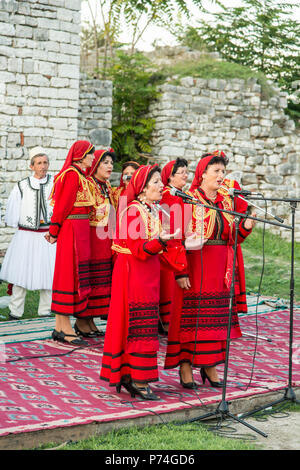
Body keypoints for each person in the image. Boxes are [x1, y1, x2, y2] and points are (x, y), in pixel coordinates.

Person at [164, 151, 256, 389]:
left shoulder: (227, 201)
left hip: (218, 268)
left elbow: (230, 237)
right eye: (216, 171)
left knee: (214, 319)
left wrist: (245, 226)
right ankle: (185, 365)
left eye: (223, 171)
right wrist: (181, 271)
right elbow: (175, 237)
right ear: (202, 174)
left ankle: (210, 364)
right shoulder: (188, 198)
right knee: (190, 317)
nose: (221, 176)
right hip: (194, 266)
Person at [100, 164, 178, 400]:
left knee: (142, 322)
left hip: (146, 271)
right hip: (134, 273)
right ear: (142, 189)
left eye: (160, 181)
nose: (161, 185)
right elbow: (138, 248)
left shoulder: (151, 209)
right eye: (155, 182)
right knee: (137, 323)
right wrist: (161, 241)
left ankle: (131, 375)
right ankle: (137, 378)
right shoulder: (134, 210)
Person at [45, 140, 95, 346]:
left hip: (80, 230)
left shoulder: (81, 176)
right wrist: (54, 230)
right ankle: (63, 327)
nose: (93, 158)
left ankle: (60, 326)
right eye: (91, 154)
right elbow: (63, 206)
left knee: (74, 275)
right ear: (82, 155)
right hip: (71, 231)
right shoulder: (72, 175)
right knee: (67, 275)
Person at [0, 147, 56, 319]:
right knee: (20, 272)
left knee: (48, 272)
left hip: (47, 235)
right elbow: (13, 211)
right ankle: (16, 311)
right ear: (32, 166)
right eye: (39, 163)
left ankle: (45, 310)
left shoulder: (55, 183)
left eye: (45, 162)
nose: (43, 166)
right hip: (25, 235)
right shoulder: (22, 186)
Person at [82, 148, 117, 336]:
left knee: (101, 279)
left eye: (111, 163)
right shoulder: (88, 184)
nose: (110, 166)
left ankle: (91, 319)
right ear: (95, 165)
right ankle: (82, 320)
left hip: (105, 238)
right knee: (90, 277)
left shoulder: (107, 186)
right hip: (93, 237)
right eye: (105, 163)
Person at [158, 158, 189, 334]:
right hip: (170, 248)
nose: (186, 175)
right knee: (169, 287)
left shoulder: (178, 194)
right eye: (181, 172)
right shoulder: (170, 197)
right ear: (170, 176)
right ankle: (167, 323)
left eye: (186, 171)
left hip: (177, 245)